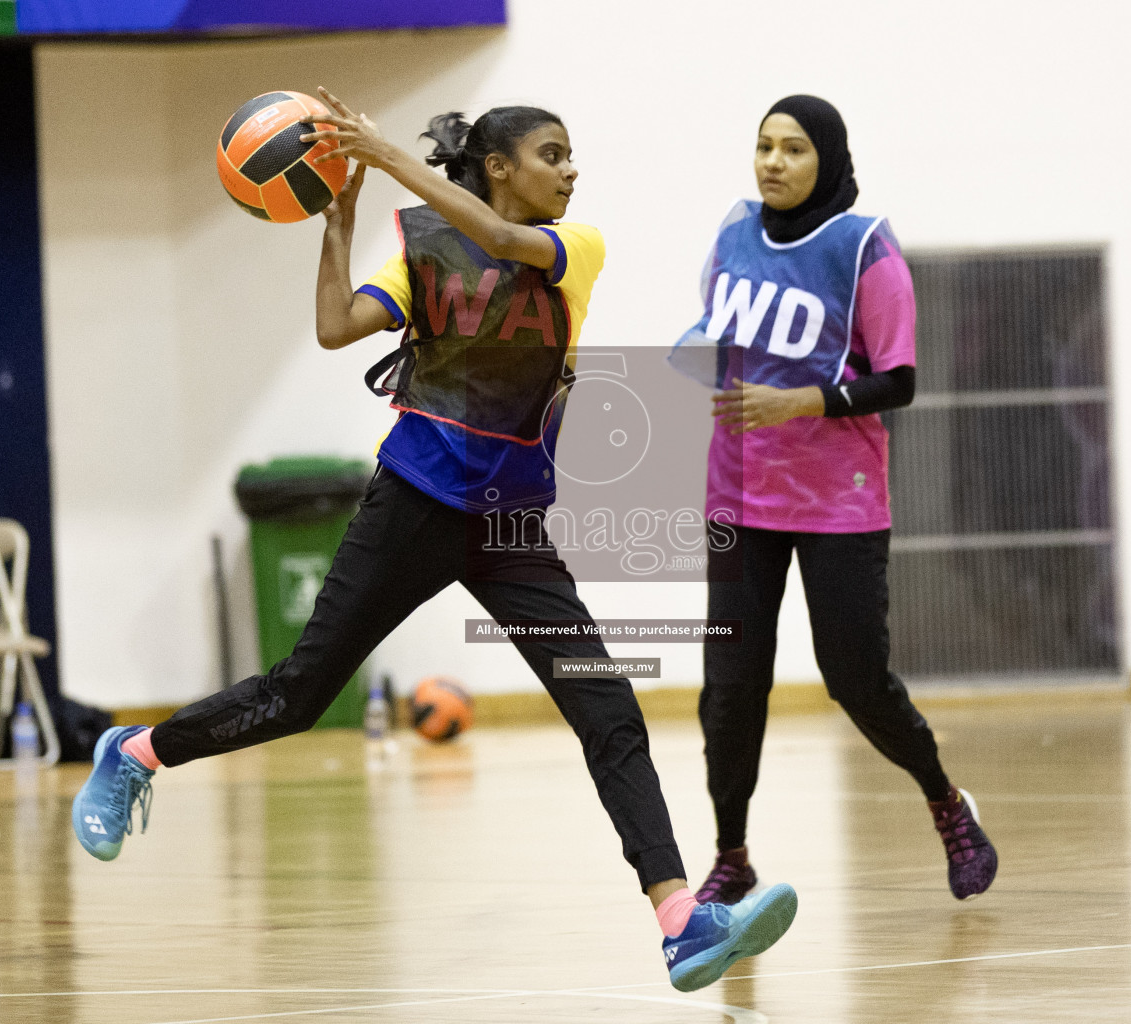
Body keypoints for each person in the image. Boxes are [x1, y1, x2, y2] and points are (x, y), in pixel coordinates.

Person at [71, 89, 796, 992]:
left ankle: (680, 920)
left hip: (511, 525)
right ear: (499, 168)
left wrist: (379, 155)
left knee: (606, 707)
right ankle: (134, 753)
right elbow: (337, 327)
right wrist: (337, 219)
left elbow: (500, 243)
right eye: (553, 154)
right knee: (298, 696)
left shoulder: (577, 247)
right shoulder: (421, 250)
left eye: (571, 156)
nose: (572, 170)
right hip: (411, 505)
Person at [676, 95, 998, 905]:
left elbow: (900, 381)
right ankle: (731, 854)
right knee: (730, 685)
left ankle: (944, 802)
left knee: (854, 677)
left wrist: (804, 402)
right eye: (763, 146)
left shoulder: (863, 248)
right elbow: (715, 333)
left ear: (826, 159)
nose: (773, 162)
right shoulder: (731, 230)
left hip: (836, 504)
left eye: (792, 149)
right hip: (737, 495)